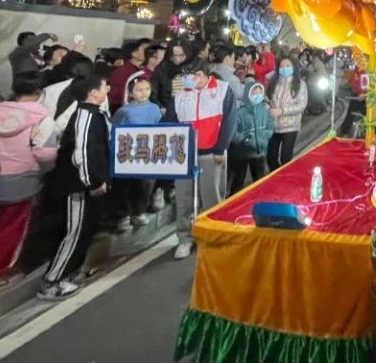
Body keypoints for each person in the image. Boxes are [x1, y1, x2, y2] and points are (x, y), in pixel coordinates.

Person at [0, 72, 58, 289]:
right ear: (39, 92)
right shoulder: (41, 116)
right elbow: (45, 153)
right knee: (12, 228)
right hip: (21, 178)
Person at [39, 75, 111, 301]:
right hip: (77, 185)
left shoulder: (95, 114)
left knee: (85, 229)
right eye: (103, 86)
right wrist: (94, 181)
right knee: (75, 231)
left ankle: (70, 272)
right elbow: (83, 153)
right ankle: (51, 282)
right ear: (93, 93)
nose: (106, 88)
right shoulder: (85, 116)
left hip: (87, 183)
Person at [169, 60, 237, 260]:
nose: (186, 79)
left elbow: (229, 121)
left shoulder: (223, 90)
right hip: (184, 155)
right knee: (184, 198)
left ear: (201, 74)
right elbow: (171, 122)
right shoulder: (180, 94)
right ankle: (185, 238)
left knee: (212, 197)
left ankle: (213, 236)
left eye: (190, 75)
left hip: (212, 153)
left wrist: (220, 148)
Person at [111, 75, 162, 231]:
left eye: (146, 89)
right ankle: (124, 214)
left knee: (146, 183)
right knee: (126, 184)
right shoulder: (123, 111)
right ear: (130, 92)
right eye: (139, 90)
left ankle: (139, 212)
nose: (144, 92)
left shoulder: (154, 108)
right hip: (128, 153)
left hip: (148, 152)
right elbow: (113, 131)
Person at [227, 81, 273, 196]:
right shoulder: (239, 113)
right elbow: (232, 132)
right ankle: (233, 203)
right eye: (254, 93)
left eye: (260, 93)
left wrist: (265, 136)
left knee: (259, 180)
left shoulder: (263, 111)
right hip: (242, 153)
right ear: (247, 94)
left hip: (259, 152)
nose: (257, 95)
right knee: (238, 181)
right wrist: (244, 139)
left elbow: (270, 125)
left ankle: (260, 200)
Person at [265, 57, 307, 171]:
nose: (284, 69)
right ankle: (276, 177)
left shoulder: (300, 84)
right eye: (282, 66)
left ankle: (284, 179)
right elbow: (266, 99)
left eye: (288, 66)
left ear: (293, 67)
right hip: (273, 125)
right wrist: (268, 108)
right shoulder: (274, 82)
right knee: (271, 157)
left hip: (290, 126)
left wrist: (282, 111)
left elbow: (301, 105)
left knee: (285, 158)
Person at [107, 39, 151, 111]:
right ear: (134, 54)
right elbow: (116, 96)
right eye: (144, 50)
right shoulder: (123, 71)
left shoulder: (139, 69)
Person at [151, 42, 189, 112]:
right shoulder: (161, 69)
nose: (177, 58)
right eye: (174, 55)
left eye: (181, 55)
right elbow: (153, 94)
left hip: (186, 110)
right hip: (167, 110)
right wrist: (162, 109)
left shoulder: (190, 69)